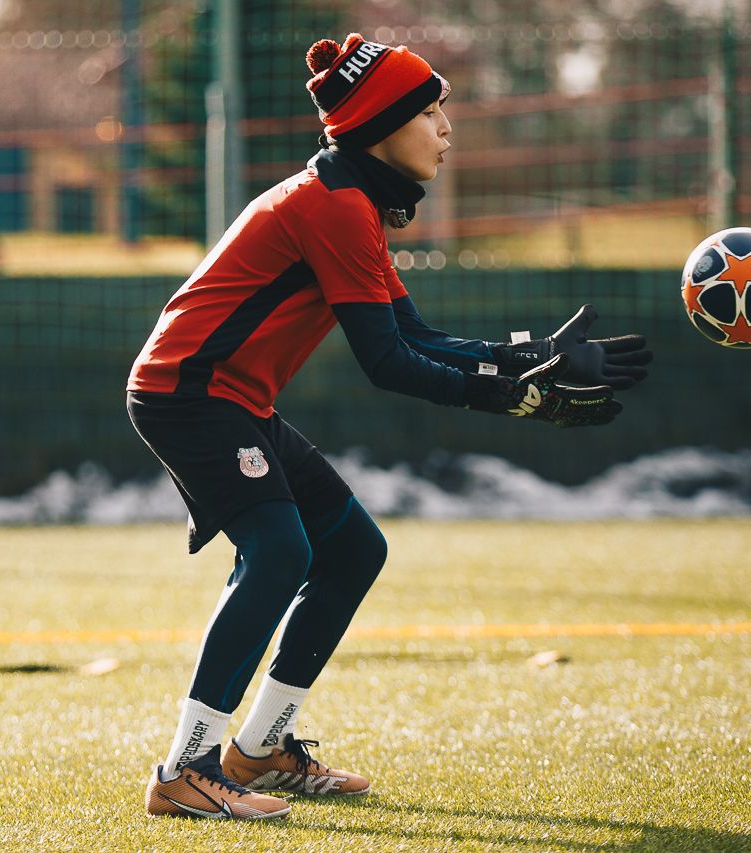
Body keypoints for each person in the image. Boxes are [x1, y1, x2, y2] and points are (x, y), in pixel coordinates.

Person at [127, 32, 652, 821]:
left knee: (352, 551)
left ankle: (258, 749)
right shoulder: (335, 205)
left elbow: (417, 335)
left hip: (231, 398)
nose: (446, 129)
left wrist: (530, 354)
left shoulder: (351, 198)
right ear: (382, 124)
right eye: (431, 112)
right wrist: (512, 397)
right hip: (188, 394)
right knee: (280, 552)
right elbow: (389, 363)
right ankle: (185, 767)